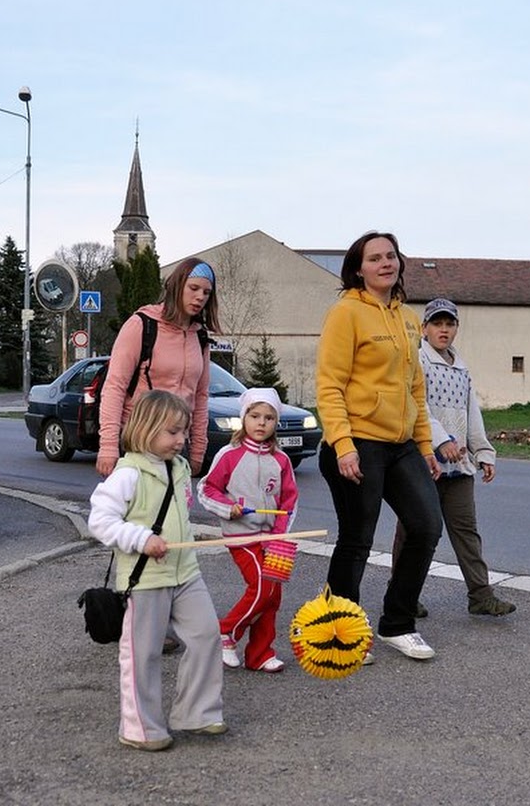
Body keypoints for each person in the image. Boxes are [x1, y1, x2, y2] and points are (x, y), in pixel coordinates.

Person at [316, 231, 443, 661]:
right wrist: (343, 444)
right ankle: (339, 629)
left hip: (402, 443)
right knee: (357, 539)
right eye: (376, 258)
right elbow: (329, 385)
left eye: (391, 256)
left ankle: (397, 624)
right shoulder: (345, 313)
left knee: (426, 526)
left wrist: (426, 446)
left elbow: (415, 389)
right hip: (357, 442)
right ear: (358, 268)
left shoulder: (408, 318)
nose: (386, 263)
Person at [88, 390, 226, 752]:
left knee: (207, 635)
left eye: (184, 432)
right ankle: (140, 728)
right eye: (173, 432)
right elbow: (100, 521)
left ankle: (197, 713)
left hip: (186, 572)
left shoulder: (179, 468)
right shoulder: (127, 473)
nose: (181, 440)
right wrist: (140, 538)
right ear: (147, 429)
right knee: (142, 654)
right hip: (145, 578)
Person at [395, 298, 515, 617]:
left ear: (456, 328)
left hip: (459, 466)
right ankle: (403, 596)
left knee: (466, 531)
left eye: (449, 324)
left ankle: (480, 595)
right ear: (425, 329)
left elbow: (471, 412)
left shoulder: (461, 368)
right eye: (437, 324)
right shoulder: (416, 361)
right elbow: (415, 405)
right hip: (422, 461)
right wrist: (439, 439)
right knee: (415, 530)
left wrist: (484, 452)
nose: (443, 330)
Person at [198, 387, 299, 673]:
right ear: (244, 418)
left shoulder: (281, 460)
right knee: (262, 587)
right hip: (241, 537)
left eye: (269, 417)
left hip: (272, 539)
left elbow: (289, 501)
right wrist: (227, 508)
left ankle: (260, 654)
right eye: (255, 416)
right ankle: (225, 631)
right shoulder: (229, 455)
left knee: (273, 596)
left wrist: (280, 534)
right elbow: (206, 489)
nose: (261, 423)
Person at [96, 257, 220, 479]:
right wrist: (108, 446)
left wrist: (198, 448)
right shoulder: (142, 325)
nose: (200, 296)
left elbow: (200, 396)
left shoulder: (199, 336)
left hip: (176, 443)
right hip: (139, 440)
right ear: (176, 286)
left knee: (173, 512)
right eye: (193, 288)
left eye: (206, 292)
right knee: (135, 511)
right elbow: (115, 386)